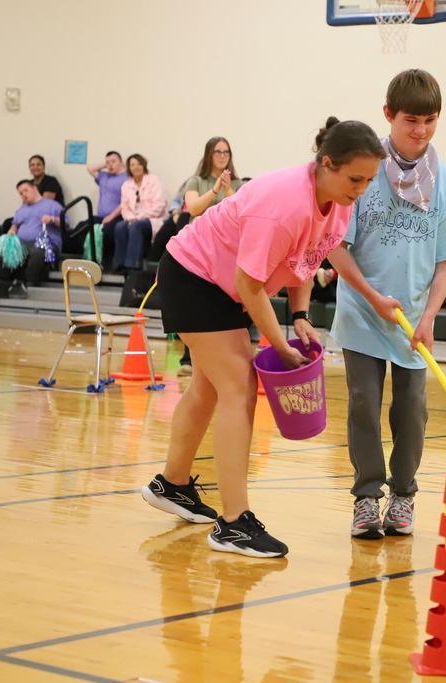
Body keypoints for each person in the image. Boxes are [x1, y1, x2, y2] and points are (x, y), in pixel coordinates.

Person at [140, 117, 384, 558]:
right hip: (194, 276)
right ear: (327, 164)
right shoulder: (283, 202)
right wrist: (281, 343)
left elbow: (310, 257)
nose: (361, 188)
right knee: (239, 387)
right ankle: (233, 525)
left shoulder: (339, 199)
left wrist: (300, 314)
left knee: (210, 386)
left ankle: (172, 484)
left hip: (222, 282)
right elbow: (250, 285)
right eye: (355, 178)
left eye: (368, 180)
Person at [328, 69, 446, 540]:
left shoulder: (444, 183)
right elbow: (336, 247)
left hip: (412, 320)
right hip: (361, 312)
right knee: (362, 404)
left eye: (430, 121)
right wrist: (370, 297)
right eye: (411, 120)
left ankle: (404, 494)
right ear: (388, 115)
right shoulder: (364, 171)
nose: (421, 131)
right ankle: (367, 498)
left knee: (411, 408)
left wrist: (428, 317)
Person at [150, 138, 245, 377]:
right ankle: (188, 359)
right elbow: (193, 209)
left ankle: (221, 359)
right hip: (198, 251)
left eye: (226, 152)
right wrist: (214, 190)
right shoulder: (196, 181)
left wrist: (227, 189)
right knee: (195, 305)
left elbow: (240, 212)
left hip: (226, 253)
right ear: (209, 155)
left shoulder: (238, 183)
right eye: (218, 152)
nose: (223, 156)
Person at [0, 180, 64, 298]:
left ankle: (31, 284)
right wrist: (12, 230)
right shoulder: (22, 208)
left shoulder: (52, 205)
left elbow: (65, 223)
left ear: (34, 188)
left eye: (25, 191)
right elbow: (15, 224)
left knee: (38, 251)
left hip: (46, 241)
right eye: (21, 193)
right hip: (23, 242)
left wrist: (53, 219)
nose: (24, 195)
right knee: (0, 248)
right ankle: (7, 282)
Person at [112, 154, 167, 274]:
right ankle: (119, 263)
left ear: (144, 165)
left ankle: (133, 265)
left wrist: (138, 218)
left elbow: (159, 205)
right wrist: (130, 218)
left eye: (139, 164)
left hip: (152, 219)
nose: (136, 167)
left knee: (136, 226)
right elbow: (124, 207)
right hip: (133, 219)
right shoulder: (127, 185)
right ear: (129, 168)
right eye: (132, 165)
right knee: (120, 226)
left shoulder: (154, 180)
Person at [86, 151, 126, 228]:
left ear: (121, 163)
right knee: (80, 228)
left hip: (117, 217)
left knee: (108, 231)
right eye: (108, 162)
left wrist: (111, 216)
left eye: (114, 161)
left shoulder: (127, 179)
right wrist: (106, 165)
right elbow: (89, 168)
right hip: (100, 216)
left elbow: (126, 202)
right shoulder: (104, 176)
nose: (110, 164)